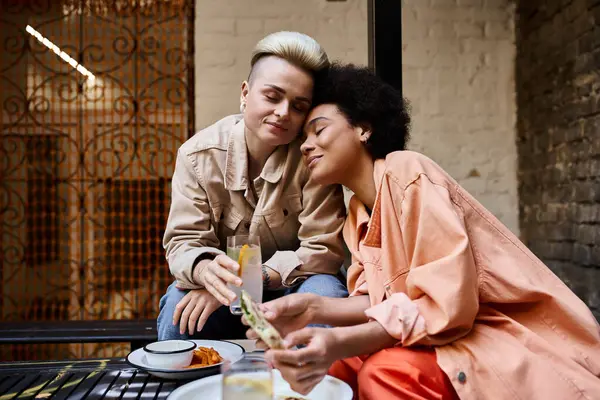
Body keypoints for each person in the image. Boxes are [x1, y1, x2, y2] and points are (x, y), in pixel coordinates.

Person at [244, 64, 600, 399]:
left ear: (363, 128)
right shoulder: (357, 213)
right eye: (303, 137)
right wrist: (311, 307)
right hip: (439, 332)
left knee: (385, 372)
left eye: (318, 129)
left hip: (497, 337)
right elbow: (377, 303)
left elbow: (446, 305)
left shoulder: (408, 172)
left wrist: (341, 341)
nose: (305, 145)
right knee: (332, 366)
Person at [157, 32, 348, 341]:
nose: (284, 112)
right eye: (272, 97)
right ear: (245, 93)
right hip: (223, 296)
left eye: (299, 106)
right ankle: (183, 389)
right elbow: (183, 242)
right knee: (180, 308)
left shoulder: (313, 158)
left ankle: (310, 387)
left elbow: (323, 250)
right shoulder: (196, 157)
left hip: (296, 286)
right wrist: (208, 274)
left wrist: (250, 280)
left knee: (327, 291)